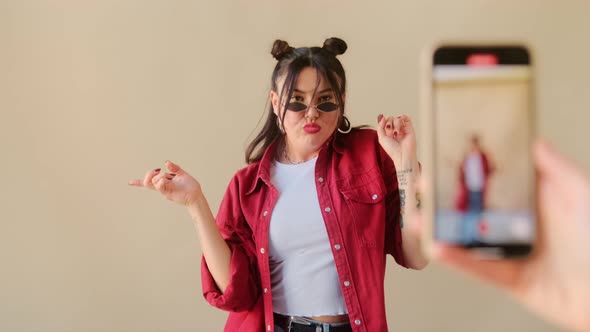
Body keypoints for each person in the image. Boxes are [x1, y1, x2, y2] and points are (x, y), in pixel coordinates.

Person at [129, 37, 428, 332]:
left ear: (342, 99)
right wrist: (195, 202)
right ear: (276, 102)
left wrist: (405, 164)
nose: (311, 113)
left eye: (325, 101)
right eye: (297, 101)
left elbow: (416, 256)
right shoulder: (248, 186)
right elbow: (234, 293)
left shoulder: (371, 154)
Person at [433, 140, 590, 332]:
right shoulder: (468, 158)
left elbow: (488, 167)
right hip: (470, 187)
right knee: (471, 211)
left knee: (479, 210)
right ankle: (471, 231)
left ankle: (477, 230)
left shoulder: (481, 157)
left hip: (480, 187)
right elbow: (462, 171)